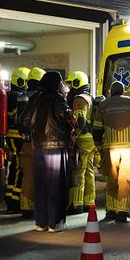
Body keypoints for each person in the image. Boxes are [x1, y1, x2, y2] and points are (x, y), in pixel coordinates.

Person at [20, 71, 75, 232]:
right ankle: (55, 223)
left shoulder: (36, 98)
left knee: (41, 185)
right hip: (56, 146)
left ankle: (41, 222)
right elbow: (67, 116)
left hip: (38, 147)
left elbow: (23, 120)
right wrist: (74, 121)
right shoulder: (57, 98)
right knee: (56, 185)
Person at [92, 81, 130, 223]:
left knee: (111, 179)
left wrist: (100, 149)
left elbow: (96, 130)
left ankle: (111, 211)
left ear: (110, 92)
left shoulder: (103, 105)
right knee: (125, 179)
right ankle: (123, 212)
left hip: (111, 147)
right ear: (124, 92)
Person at [65, 70, 96, 215]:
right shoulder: (90, 97)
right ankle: (89, 202)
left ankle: (76, 204)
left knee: (78, 171)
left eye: (72, 84)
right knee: (89, 171)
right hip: (91, 139)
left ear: (78, 83)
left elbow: (80, 121)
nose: (70, 88)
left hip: (82, 139)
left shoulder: (79, 99)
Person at [18, 67, 45, 218]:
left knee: (27, 174)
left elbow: (20, 122)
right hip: (40, 144)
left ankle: (25, 206)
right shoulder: (42, 99)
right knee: (41, 175)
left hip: (25, 142)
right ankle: (38, 206)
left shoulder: (23, 97)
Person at [4, 66, 29, 214]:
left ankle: (11, 199)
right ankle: (15, 201)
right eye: (24, 81)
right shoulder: (17, 97)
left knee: (14, 167)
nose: (26, 84)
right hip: (17, 136)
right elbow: (18, 116)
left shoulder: (11, 95)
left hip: (11, 136)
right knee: (20, 168)